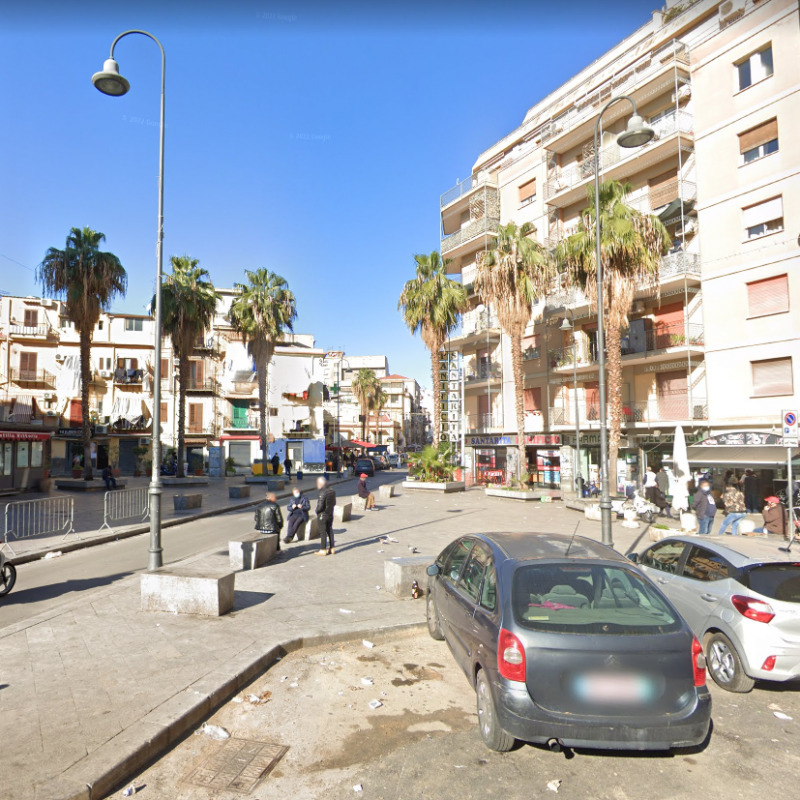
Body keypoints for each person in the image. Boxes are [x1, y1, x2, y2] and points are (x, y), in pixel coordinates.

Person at [315, 476, 336, 556]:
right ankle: (332, 548)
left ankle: (323, 549)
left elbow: (320, 506)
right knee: (330, 530)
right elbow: (334, 503)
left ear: (320, 484)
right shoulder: (332, 491)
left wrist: (317, 511)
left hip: (323, 515)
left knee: (322, 532)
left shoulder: (322, 492)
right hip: (330, 513)